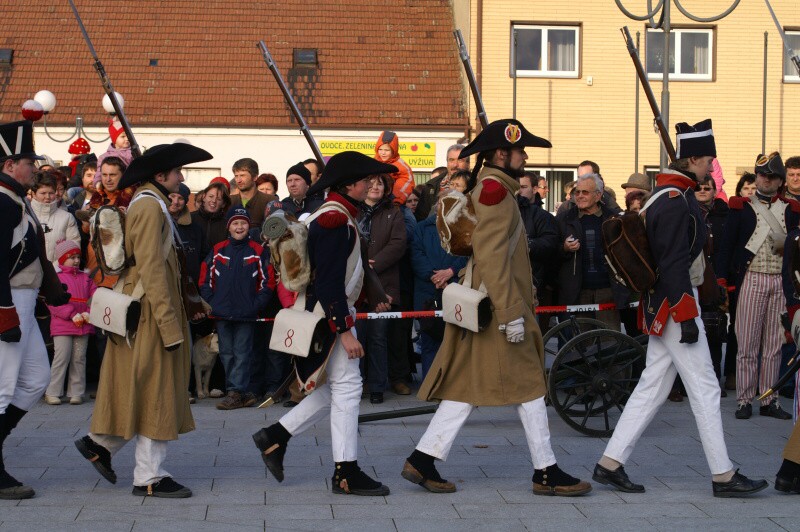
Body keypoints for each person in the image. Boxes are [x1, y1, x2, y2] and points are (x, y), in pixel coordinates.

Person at [401, 119, 591, 497]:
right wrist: (510, 314)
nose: (525, 156)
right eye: (521, 151)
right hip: (499, 310)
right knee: (531, 387)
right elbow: (491, 256)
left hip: (495, 306)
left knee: (470, 387)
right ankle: (546, 471)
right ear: (502, 154)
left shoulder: (495, 189)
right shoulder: (494, 191)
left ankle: (423, 458)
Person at [593, 119, 767, 498]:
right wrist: (687, 317)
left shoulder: (668, 196)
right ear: (692, 160)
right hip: (676, 305)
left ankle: (609, 463)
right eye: (707, 162)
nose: (710, 170)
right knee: (705, 387)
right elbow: (672, 264)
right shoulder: (674, 202)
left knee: (651, 388)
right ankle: (723, 475)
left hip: (668, 304)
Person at [252, 151, 396, 496]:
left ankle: (277, 436)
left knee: (342, 388)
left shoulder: (334, 213)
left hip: (323, 312)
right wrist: (344, 330)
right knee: (347, 389)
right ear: (349, 184)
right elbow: (329, 281)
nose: (371, 185)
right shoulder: (334, 220)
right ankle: (345, 472)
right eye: (366, 180)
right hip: (327, 316)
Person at [74, 141, 213, 498]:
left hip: (148, 308)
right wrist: (169, 323)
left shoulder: (150, 203)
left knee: (145, 386)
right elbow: (152, 267)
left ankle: (99, 444)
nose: (181, 178)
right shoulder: (150, 207)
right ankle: (149, 477)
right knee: (158, 390)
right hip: (152, 311)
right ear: (161, 175)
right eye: (177, 172)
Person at [0, 120, 67, 500]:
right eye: (28, 162)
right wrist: (5, 311)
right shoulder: (2, 202)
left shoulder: (16, 199)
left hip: (24, 300)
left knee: (35, 380)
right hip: (8, 301)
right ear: (10, 166)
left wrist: (53, 290)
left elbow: (35, 255)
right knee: (3, 387)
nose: (34, 168)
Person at [716, 152, 798, 420]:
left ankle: (768, 399)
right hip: (751, 278)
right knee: (747, 344)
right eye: (762, 175)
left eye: (771, 176)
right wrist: (721, 280)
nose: (765, 180)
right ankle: (743, 399)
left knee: (774, 345)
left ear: (779, 181)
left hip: (780, 280)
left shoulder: (791, 210)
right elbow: (726, 247)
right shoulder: (741, 207)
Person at [200, 207, 273, 410]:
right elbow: (204, 279)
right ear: (228, 227)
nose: (239, 226)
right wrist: (213, 302)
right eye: (235, 223)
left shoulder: (258, 250)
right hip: (222, 313)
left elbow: (268, 282)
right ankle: (239, 391)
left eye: (243, 223)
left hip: (246, 314)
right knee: (226, 353)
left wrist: (255, 305)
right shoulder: (218, 250)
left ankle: (236, 392)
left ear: (249, 226)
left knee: (242, 352)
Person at [356, 174, 407, 404]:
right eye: (371, 183)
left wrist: (375, 262)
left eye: (380, 183)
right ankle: (356, 384)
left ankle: (377, 386)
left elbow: (398, 243)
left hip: (383, 284)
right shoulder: (353, 211)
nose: (375, 187)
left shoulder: (393, 212)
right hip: (356, 284)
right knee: (358, 336)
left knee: (378, 337)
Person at [556, 174, 627, 331]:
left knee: (610, 342)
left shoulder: (613, 219)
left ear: (598, 195)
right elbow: (551, 253)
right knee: (583, 346)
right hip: (577, 292)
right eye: (577, 192)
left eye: (585, 192)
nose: (580, 196)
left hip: (608, 290)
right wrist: (564, 248)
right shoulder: (563, 220)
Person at [411, 190, 467, 379]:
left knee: (457, 342)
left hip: (456, 288)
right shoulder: (421, 228)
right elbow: (416, 255)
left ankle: (453, 384)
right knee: (429, 340)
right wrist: (435, 277)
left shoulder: (466, 229)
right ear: (438, 204)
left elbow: (469, 255)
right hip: (428, 291)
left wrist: (450, 272)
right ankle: (430, 382)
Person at [44, 240, 95, 406]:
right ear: (62, 259)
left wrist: (88, 313)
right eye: (71, 257)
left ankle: (76, 392)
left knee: (79, 358)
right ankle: (53, 391)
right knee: (61, 357)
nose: (76, 260)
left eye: (78, 257)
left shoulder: (86, 278)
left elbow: (94, 297)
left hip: (83, 323)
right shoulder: (56, 278)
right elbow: (53, 302)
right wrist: (71, 314)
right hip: (63, 326)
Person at [695, 176, 730, 393]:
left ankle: (715, 378)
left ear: (714, 190)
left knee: (715, 331)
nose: (702, 191)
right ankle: (687, 383)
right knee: (691, 332)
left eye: (707, 188)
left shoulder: (724, 215)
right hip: (694, 278)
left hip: (716, 278)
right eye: (698, 187)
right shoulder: (688, 211)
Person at [517, 172, 558, 299]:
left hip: (536, 284)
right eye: (516, 187)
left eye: (523, 187)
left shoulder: (543, 216)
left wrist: (526, 244)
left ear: (535, 189)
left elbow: (550, 244)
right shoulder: (507, 213)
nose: (519, 191)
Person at [29, 171, 80, 262]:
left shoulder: (67, 217)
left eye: (51, 193)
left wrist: (57, 269)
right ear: (34, 194)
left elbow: (74, 245)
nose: (48, 197)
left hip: (58, 272)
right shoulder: (25, 214)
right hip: (30, 273)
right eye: (43, 193)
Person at [416, 144, 468, 219]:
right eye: (451, 160)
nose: (455, 165)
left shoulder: (476, 185)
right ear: (447, 162)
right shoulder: (431, 186)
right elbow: (421, 218)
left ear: (468, 163)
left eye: (460, 160)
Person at [229, 158, 275, 229]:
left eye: (242, 175)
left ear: (255, 177)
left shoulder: (269, 201)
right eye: (236, 176)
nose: (238, 180)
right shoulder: (229, 201)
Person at [374, 131, 414, 205]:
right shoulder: (373, 162)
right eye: (380, 149)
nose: (383, 153)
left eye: (387, 150)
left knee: (408, 216)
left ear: (393, 151)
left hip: (393, 201)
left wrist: (397, 199)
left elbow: (407, 182)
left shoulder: (401, 166)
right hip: (374, 199)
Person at [192, 177, 232, 249]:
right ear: (204, 197)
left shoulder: (228, 225)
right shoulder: (190, 219)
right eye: (211, 196)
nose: (213, 201)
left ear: (223, 204)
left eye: (219, 199)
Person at [94, 118, 133, 187]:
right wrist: (98, 182)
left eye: (128, 135)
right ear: (114, 139)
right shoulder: (104, 157)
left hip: (129, 186)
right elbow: (99, 172)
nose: (127, 139)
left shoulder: (133, 153)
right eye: (123, 136)